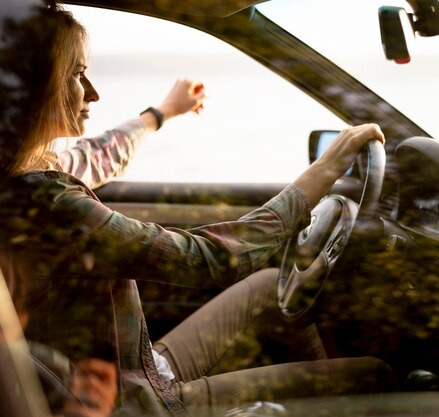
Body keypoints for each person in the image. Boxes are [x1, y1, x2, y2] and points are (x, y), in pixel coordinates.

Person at [0, 3, 395, 417]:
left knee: (266, 288)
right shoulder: (47, 202)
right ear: (34, 86)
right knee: (373, 375)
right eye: (77, 75)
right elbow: (206, 260)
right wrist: (322, 172)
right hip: (134, 404)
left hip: (141, 370)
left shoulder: (29, 168)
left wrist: (161, 113)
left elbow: (97, 156)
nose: (94, 93)